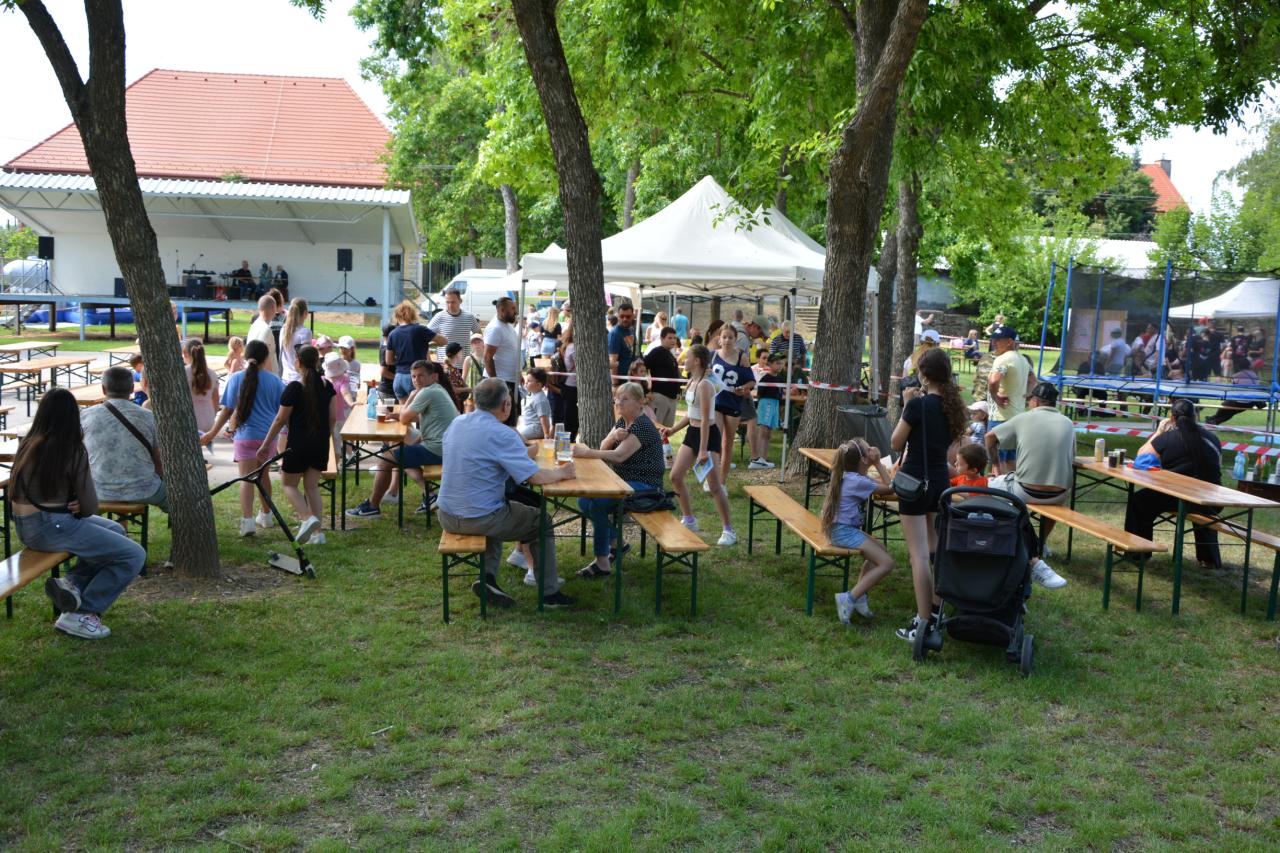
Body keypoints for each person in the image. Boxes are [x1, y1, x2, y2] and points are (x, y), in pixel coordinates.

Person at [13, 388, 147, 640]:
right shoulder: (70, 449)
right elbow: (90, 508)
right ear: (73, 416)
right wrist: (78, 502)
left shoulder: (29, 443)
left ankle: (73, 583)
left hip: (28, 526)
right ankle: (82, 613)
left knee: (115, 529)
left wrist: (70, 502)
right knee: (133, 555)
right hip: (51, 526)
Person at [436, 378, 579, 608]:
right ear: (506, 404)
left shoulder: (457, 423)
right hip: (480, 516)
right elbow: (534, 477)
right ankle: (550, 594)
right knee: (541, 521)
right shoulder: (503, 434)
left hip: (446, 514)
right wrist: (563, 472)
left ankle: (488, 579)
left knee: (496, 508)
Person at [891, 348, 967, 644]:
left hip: (914, 482)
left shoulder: (917, 405)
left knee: (919, 556)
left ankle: (922, 626)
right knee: (934, 553)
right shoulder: (954, 407)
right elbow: (950, 452)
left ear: (923, 375)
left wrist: (906, 405)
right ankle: (934, 613)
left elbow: (896, 442)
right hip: (940, 482)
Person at [984, 381, 1074, 587]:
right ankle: (1040, 544)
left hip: (1025, 490)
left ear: (1035, 401)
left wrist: (996, 465)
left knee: (985, 487)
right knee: (1052, 500)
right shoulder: (1068, 423)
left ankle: (1004, 544)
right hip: (1058, 494)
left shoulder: (1024, 418)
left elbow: (990, 437)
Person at [572, 381, 665, 578]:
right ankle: (618, 543)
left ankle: (602, 562)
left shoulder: (642, 425)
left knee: (597, 503)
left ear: (640, 402)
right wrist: (613, 436)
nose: (619, 403)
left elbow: (619, 456)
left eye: (625, 399)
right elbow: (604, 447)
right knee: (584, 500)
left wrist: (586, 452)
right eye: (617, 399)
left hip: (647, 487)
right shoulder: (623, 422)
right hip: (623, 483)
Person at [347, 360, 460, 518]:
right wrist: (398, 415)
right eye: (413, 376)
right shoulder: (437, 389)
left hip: (438, 450)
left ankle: (372, 507)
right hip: (447, 447)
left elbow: (405, 418)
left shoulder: (427, 392)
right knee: (397, 452)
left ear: (433, 377)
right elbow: (426, 419)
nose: (416, 380)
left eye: (421, 376)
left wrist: (411, 396)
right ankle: (430, 495)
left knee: (386, 459)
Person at [201, 339, 285, 537]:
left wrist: (212, 433)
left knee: (246, 479)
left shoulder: (236, 378)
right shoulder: (275, 381)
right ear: (266, 358)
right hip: (268, 437)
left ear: (246, 357)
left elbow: (227, 410)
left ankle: (247, 522)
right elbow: (281, 412)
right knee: (263, 476)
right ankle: (266, 516)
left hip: (245, 436)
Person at [1125, 399, 1223, 568]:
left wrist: (1159, 431)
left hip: (1180, 497)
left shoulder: (1167, 437)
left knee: (1139, 501)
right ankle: (1209, 560)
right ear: (1195, 416)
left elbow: (1141, 456)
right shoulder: (1213, 438)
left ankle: (1138, 553)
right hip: (1212, 500)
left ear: (1172, 418)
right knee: (1205, 514)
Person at [257, 345, 337, 546]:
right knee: (312, 487)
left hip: (298, 444)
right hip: (320, 443)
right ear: (317, 362)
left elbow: (280, 420)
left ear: (298, 362)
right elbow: (333, 418)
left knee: (288, 484)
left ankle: (306, 518)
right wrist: (324, 436)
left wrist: (266, 445)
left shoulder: (294, 388)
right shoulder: (327, 386)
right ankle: (318, 534)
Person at [662, 345, 736, 546]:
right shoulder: (692, 381)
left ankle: (728, 530)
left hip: (708, 436)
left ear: (696, 361)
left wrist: (703, 450)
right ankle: (689, 520)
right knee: (675, 476)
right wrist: (672, 430)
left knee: (714, 485)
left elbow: (704, 420)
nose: (684, 360)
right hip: (692, 433)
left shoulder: (705, 385)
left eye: (687, 357)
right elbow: (690, 415)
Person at [823, 439, 896, 624]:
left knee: (880, 549)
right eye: (868, 448)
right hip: (844, 532)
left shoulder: (851, 477)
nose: (872, 449)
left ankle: (860, 598)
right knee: (887, 564)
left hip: (840, 529)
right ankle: (849, 599)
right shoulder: (858, 481)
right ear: (864, 460)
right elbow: (890, 488)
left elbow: (881, 486)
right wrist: (878, 463)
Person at [81, 365, 168, 512]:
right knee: (180, 502)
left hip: (99, 490)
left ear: (103, 389)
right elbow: (158, 460)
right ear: (132, 388)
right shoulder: (149, 417)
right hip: (145, 489)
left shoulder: (85, 416)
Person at [711, 323, 755, 484]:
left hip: (733, 403)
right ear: (719, 339)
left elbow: (751, 381)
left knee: (727, 445)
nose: (727, 340)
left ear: (736, 339)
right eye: (724, 337)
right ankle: (711, 478)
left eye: (730, 337)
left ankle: (722, 481)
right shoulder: (712, 355)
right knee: (715, 439)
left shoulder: (741, 357)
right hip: (715, 401)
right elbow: (701, 375)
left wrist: (743, 388)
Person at [986, 324, 1029, 464]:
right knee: (1011, 460)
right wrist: (1027, 396)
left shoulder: (1003, 359)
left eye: (998, 340)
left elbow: (993, 381)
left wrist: (995, 397)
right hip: (1017, 417)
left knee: (997, 462)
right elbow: (1034, 381)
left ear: (1010, 341)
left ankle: (998, 479)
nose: (994, 343)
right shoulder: (1023, 359)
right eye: (993, 340)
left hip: (1001, 417)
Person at [483, 296, 523, 426]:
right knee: (502, 420)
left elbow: (512, 351)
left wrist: (519, 373)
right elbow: (487, 357)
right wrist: (495, 382)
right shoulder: (495, 328)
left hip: (510, 380)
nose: (515, 312)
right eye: (512, 309)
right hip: (501, 381)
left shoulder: (507, 325)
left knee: (512, 418)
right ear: (501, 310)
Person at [387, 300, 432, 400]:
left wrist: (401, 360)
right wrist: (426, 343)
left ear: (397, 316)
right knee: (419, 408)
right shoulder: (419, 329)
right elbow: (444, 341)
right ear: (413, 315)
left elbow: (389, 361)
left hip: (398, 377)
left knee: (404, 408)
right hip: (416, 376)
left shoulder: (392, 333)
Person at [750, 352, 785, 468]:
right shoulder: (765, 378)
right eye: (777, 363)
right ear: (769, 364)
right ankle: (758, 458)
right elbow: (760, 394)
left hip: (775, 404)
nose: (780, 366)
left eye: (781, 363)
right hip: (766, 404)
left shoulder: (780, 378)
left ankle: (764, 458)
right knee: (763, 431)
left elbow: (781, 393)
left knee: (768, 433)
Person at [1207, 356, 1266, 425]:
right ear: (1249, 365)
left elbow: (1232, 389)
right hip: (1250, 402)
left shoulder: (1236, 375)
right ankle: (1214, 419)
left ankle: (1214, 419)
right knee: (1230, 410)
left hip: (1239, 401)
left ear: (1239, 366)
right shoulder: (1254, 375)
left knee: (1227, 407)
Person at [426, 288, 480, 362]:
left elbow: (479, 335)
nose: (450, 305)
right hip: (445, 364)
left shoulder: (469, 317)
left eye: (453, 302)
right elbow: (425, 335)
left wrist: (475, 351)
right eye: (447, 302)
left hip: (464, 364)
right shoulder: (439, 317)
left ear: (460, 301)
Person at [643, 326, 682, 428]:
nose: (673, 340)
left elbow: (675, 374)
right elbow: (642, 367)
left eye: (675, 338)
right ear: (662, 338)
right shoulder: (656, 352)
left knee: (666, 429)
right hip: (660, 396)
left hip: (672, 398)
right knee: (655, 428)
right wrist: (646, 390)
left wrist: (678, 391)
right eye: (670, 338)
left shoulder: (671, 355)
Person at [183, 338, 220, 436]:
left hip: (190, 418)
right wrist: (213, 414)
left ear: (185, 353)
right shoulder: (212, 374)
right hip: (208, 417)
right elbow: (216, 399)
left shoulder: (183, 372)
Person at [278, 298, 311, 383]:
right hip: (299, 379)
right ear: (305, 313)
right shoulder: (305, 332)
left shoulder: (283, 329)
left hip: (285, 378)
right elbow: (307, 359)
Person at [247, 294, 280, 376]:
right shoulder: (266, 330)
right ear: (273, 308)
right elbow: (266, 360)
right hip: (264, 378)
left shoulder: (254, 325)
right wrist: (271, 380)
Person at [517, 368, 554, 440]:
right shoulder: (534, 394)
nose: (526, 383)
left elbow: (543, 417)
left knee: (518, 437)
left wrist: (546, 434)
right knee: (516, 433)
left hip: (536, 428)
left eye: (529, 381)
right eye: (526, 380)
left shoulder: (540, 399)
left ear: (539, 384)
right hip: (530, 426)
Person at [608, 299, 638, 379]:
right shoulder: (614, 334)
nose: (624, 319)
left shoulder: (631, 329)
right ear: (618, 316)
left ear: (633, 316)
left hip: (632, 377)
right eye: (622, 316)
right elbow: (613, 361)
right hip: (622, 380)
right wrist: (615, 383)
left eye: (628, 316)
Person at [560, 325, 579, 438]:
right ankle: (568, 443)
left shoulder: (569, 346)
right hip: (572, 387)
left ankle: (568, 442)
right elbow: (581, 367)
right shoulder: (574, 347)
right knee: (571, 421)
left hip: (569, 386)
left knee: (570, 419)